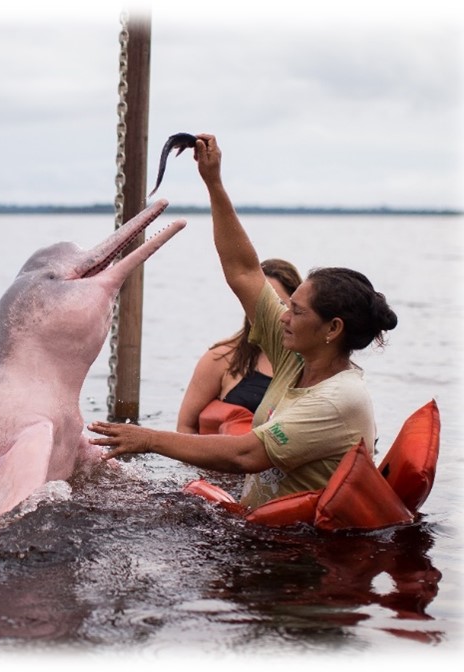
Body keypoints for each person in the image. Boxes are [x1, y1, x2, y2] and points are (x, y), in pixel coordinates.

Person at [88, 133, 398, 510]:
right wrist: (213, 182)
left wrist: (148, 439)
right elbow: (244, 272)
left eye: (297, 311)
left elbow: (246, 455)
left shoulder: (340, 399)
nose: (284, 316)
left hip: (300, 552)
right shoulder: (297, 360)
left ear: (333, 329)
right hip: (258, 524)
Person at [176, 258, 302, 435]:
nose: (267, 311)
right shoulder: (222, 358)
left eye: (277, 304)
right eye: (259, 302)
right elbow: (186, 426)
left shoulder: (311, 364)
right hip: (224, 459)